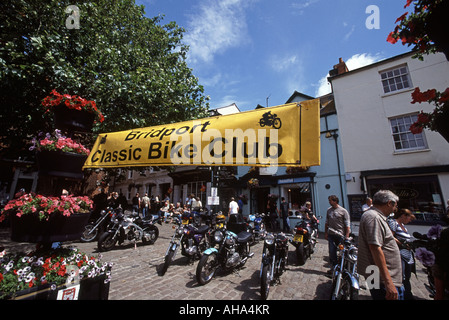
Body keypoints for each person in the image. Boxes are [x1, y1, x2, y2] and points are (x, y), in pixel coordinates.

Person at [358, 190, 404, 300]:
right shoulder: (373, 217)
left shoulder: (373, 215)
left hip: (376, 275)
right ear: (389, 203)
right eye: (395, 206)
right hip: (382, 278)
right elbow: (375, 248)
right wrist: (389, 283)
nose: (395, 209)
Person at [388, 208, 416, 300]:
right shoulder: (394, 223)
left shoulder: (403, 225)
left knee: (407, 276)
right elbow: (390, 236)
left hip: (407, 253)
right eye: (409, 218)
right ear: (403, 216)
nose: (409, 221)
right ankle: (403, 295)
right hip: (399, 253)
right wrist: (402, 244)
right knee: (402, 276)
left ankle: (408, 294)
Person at [324, 195, 351, 268]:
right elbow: (326, 222)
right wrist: (326, 233)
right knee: (332, 252)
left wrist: (347, 235)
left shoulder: (343, 211)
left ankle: (341, 268)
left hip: (340, 234)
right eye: (329, 200)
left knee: (342, 252)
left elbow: (347, 224)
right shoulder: (329, 210)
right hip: (331, 234)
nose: (329, 202)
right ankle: (333, 268)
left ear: (335, 201)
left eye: (330, 200)